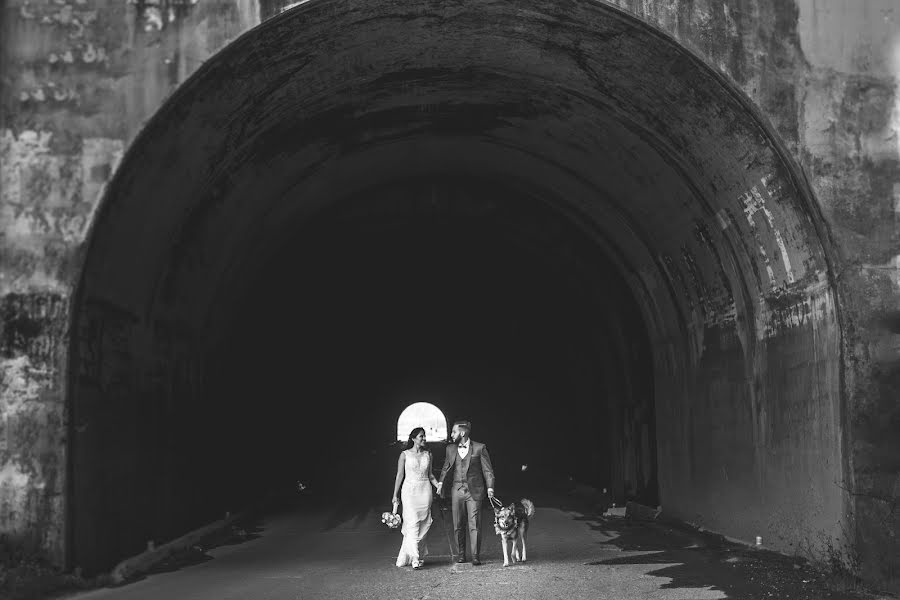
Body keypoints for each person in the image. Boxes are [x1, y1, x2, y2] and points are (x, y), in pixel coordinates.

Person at [437, 420, 495, 566]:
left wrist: (490, 487)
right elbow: (446, 467)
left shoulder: (480, 448)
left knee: (474, 523)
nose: (451, 434)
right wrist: (440, 483)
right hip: (456, 490)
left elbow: (487, 470)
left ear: (462, 433)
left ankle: (475, 555)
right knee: (458, 524)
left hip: (474, 491)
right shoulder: (450, 449)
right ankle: (461, 554)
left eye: (454, 432)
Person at [393, 427, 440, 569]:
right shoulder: (404, 455)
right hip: (409, 491)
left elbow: (431, 475)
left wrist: (438, 486)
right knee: (412, 522)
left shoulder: (428, 454)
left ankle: (415, 552)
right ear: (413, 438)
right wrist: (395, 494)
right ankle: (415, 557)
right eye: (421, 436)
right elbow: (400, 475)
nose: (424, 439)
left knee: (424, 523)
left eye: (424, 436)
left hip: (425, 490)